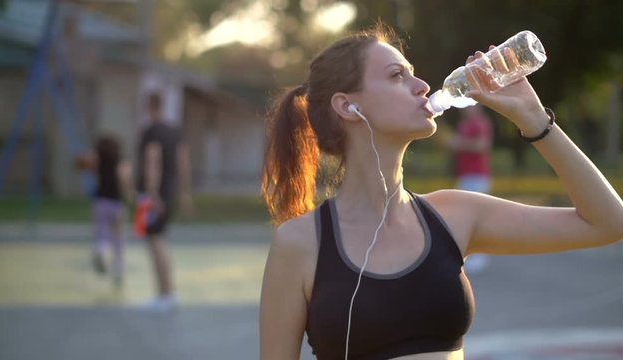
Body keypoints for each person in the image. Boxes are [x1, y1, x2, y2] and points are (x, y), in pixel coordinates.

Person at [259, 23, 623, 360]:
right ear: (348, 106)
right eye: (397, 75)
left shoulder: (454, 214)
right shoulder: (302, 241)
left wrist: (533, 118)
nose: (421, 86)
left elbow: (608, 222)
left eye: (413, 73)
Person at [136, 91, 193, 311]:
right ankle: (166, 293)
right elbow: (183, 162)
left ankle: (165, 295)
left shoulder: (151, 131)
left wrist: (151, 193)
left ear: (147, 106)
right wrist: (185, 193)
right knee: (159, 241)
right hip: (169, 193)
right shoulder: (174, 131)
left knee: (155, 242)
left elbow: (153, 158)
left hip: (155, 196)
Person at [74, 135, 133, 287]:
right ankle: (119, 270)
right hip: (116, 204)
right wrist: (129, 195)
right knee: (119, 239)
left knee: (102, 234)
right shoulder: (120, 162)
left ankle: (101, 251)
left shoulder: (98, 161)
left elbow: (81, 163)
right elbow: (125, 181)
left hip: (100, 202)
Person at [447, 105, 494, 273]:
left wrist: (458, 143)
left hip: (478, 175)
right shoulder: (463, 124)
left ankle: (479, 257)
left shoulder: (480, 123)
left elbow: (482, 145)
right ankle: (470, 256)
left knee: (476, 218)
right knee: (464, 216)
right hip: (464, 175)